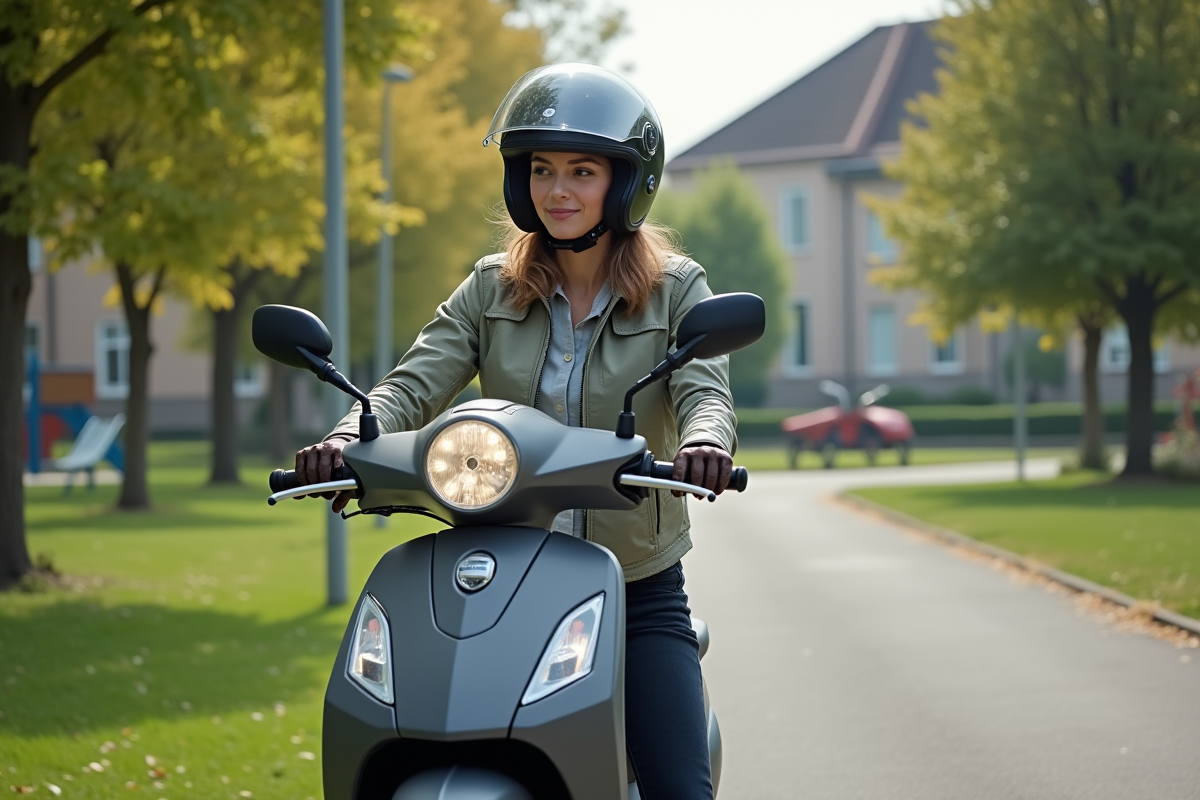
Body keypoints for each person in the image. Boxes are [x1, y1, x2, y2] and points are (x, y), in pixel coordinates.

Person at [295, 63, 736, 800]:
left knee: (678, 790)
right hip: (505, 579)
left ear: (626, 183)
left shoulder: (674, 289)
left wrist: (706, 445)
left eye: (582, 171)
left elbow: (704, 392)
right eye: (540, 169)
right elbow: (409, 385)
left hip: (634, 586)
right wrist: (348, 436)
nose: (557, 190)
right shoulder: (490, 287)